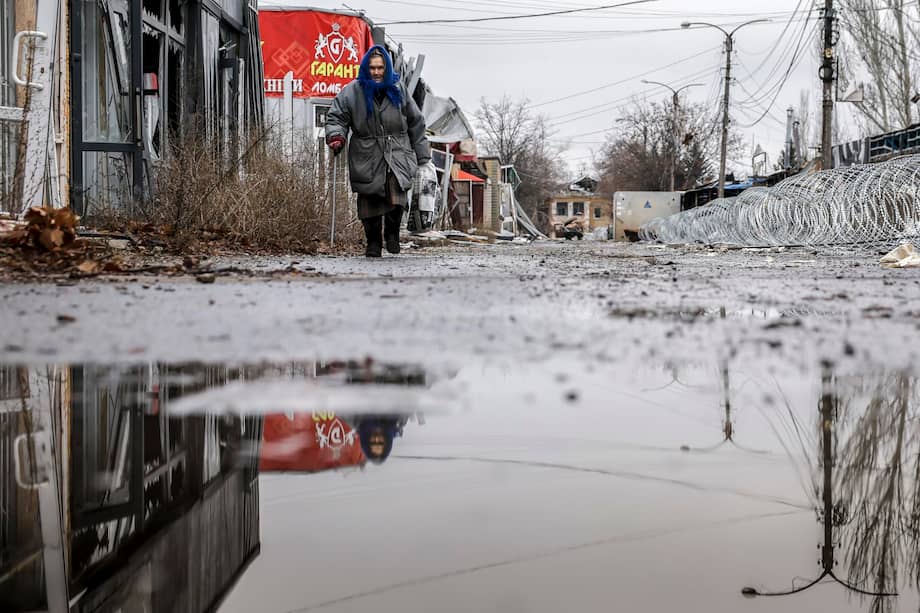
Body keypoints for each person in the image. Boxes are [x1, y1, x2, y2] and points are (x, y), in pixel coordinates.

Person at [325, 45, 431, 257]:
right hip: (367, 152)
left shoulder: (398, 89)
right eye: (372, 68)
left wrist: (422, 155)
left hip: (397, 150)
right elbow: (336, 116)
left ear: (387, 68)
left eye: (380, 67)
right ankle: (373, 241)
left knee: (396, 196)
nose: (376, 72)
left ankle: (392, 234)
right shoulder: (352, 91)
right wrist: (337, 136)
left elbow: (415, 122)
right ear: (366, 68)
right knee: (369, 200)